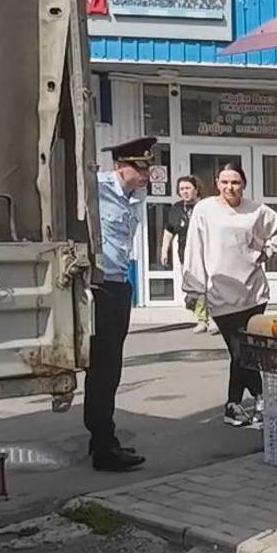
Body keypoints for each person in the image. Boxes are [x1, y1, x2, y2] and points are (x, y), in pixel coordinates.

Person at [183, 161, 277, 427]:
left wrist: (267, 251)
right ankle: (257, 398)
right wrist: (194, 288)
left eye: (235, 182)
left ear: (243, 184)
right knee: (240, 352)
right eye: (225, 182)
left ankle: (236, 405)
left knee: (247, 351)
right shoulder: (204, 209)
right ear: (217, 184)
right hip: (221, 294)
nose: (230, 187)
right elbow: (194, 249)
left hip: (253, 293)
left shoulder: (256, 210)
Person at [84, 136, 154, 473]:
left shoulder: (135, 197)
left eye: (147, 168)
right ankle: (103, 446)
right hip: (98, 287)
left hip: (119, 286)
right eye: (139, 168)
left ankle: (101, 439)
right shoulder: (96, 188)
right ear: (120, 166)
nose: (145, 175)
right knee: (103, 368)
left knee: (109, 369)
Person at [159, 175, 212, 336]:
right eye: (181, 189)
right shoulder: (176, 209)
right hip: (186, 255)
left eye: (188, 188)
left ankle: (207, 320)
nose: (185, 192)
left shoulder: (206, 207)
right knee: (193, 290)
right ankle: (199, 315)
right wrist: (164, 250)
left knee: (208, 287)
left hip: (207, 253)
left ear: (196, 189)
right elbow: (169, 230)